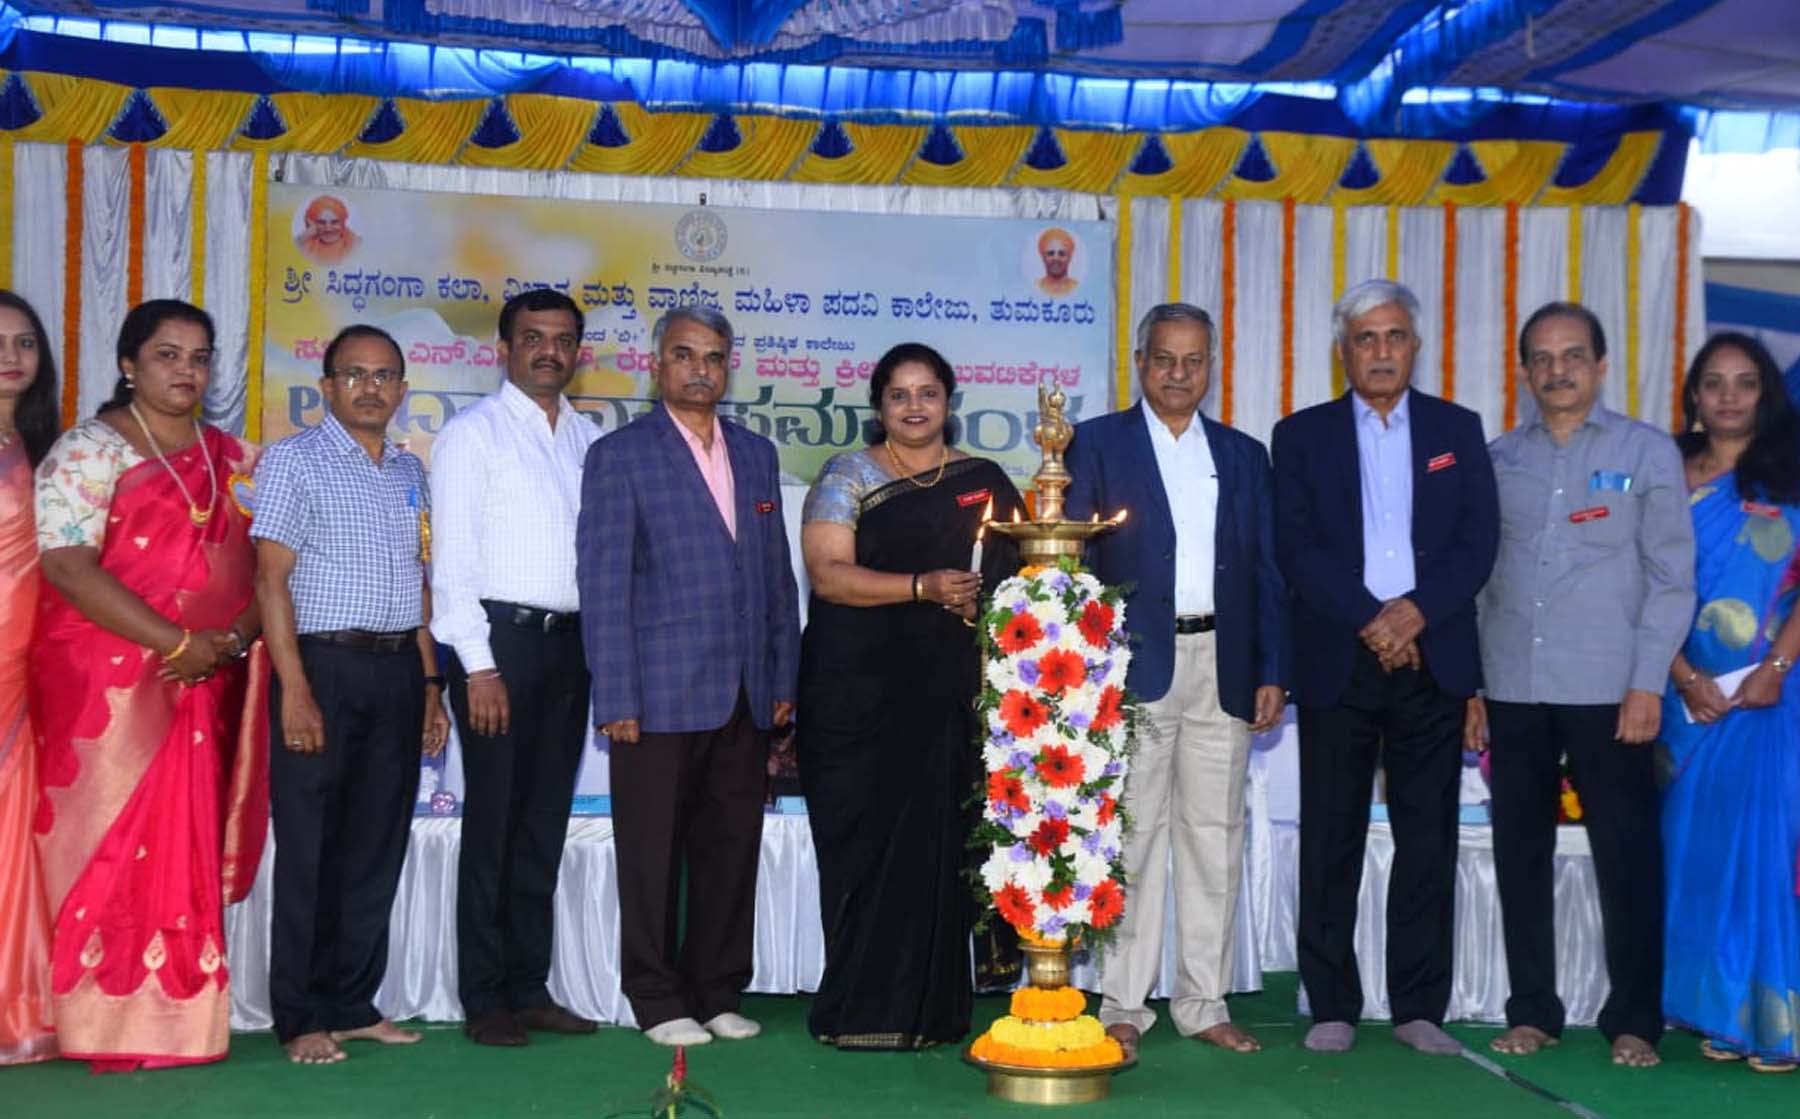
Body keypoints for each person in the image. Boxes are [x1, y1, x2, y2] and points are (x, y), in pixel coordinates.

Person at [31, 299, 268, 1071]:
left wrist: (231, 640)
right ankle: (93, 1018)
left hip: (208, 676)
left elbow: (270, 566)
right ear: (129, 364)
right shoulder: (87, 450)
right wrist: (179, 643)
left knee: (179, 845)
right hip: (107, 684)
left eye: (200, 357)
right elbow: (68, 567)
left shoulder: (237, 458)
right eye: (168, 355)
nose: (186, 370)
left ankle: (178, 1019)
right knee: (102, 840)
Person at [1272, 279, 1498, 1056]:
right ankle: (1332, 1000)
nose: (1380, 351)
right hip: (1342, 653)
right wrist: (1373, 617)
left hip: (1432, 655)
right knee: (1330, 835)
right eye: (1365, 337)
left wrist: (1415, 613)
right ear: (1344, 351)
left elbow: (1477, 541)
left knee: (1427, 836)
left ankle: (1418, 1006)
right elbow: (1296, 547)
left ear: (1414, 346)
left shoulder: (1457, 429)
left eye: (1394, 336)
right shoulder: (1300, 435)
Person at [1471, 302, 1694, 1070]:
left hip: (1613, 690)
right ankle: (1533, 1010)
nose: (1557, 369)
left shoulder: (1646, 450)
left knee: (1627, 856)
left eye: (1572, 355)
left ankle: (1634, 1018)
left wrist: (1647, 682)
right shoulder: (1499, 459)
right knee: (1520, 853)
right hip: (1515, 684)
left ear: (1600, 365)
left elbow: (1671, 577)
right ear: (1523, 371)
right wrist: (1473, 686)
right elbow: (1479, 580)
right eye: (1542, 356)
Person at [1064, 303, 1288, 1059]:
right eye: (1165, 358)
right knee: (1131, 835)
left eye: (1193, 360)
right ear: (1140, 361)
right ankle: (1123, 1003)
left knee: (1214, 838)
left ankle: (1203, 1002)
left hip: (1224, 663)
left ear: (1210, 366)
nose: (1178, 374)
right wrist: (1087, 672)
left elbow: (1268, 571)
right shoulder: (1095, 443)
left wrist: (1272, 670)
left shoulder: (1244, 454)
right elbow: (1075, 567)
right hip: (1132, 666)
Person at [577, 306, 800, 1048]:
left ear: (728, 367)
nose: (700, 370)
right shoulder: (620, 456)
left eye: (713, 357)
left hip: (745, 690)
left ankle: (716, 990)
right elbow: (603, 584)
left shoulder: (756, 454)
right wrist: (616, 695)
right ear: (657, 364)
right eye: (684, 355)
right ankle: (655, 997)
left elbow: (776, 578)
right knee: (651, 856)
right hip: (656, 693)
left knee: (730, 849)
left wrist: (781, 677)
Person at [797, 342, 1025, 1050]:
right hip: (855, 698)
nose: (915, 406)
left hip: (946, 698)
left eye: (928, 393)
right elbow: (829, 575)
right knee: (861, 849)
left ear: (949, 402)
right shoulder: (848, 474)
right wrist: (922, 587)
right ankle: (857, 1008)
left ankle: (930, 1011)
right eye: (900, 395)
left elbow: (1023, 585)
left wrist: (986, 607)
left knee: (938, 848)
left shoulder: (985, 482)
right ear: (879, 406)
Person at [252, 324, 450, 1066]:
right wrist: (294, 690)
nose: (371, 387)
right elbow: (270, 581)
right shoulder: (293, 460)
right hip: (324, 668)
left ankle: (352, 1003)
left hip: (398, 670)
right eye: (355, 374)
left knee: (376, 844)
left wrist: (430, 687)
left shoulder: (409, 471)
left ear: (402, 390)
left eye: (385, 375)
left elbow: (417, 586)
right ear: (328, 385)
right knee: (313, 847)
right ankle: (301, 1015)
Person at [429, 290, 600, 1046]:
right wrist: (478, 667)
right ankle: (485, 994)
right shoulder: (473, 435)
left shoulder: (590, 440)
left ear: (577, 353)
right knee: (495, 821)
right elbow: (453, 566)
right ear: (503, 348)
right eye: (533, 338)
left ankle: (531, 986)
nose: (548, 352)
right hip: (500, 646)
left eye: (562, 340)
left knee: (542, 823)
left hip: (572, 647)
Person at [1659, 332, 1800, 1071]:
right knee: (1698, 849)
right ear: (1693, 394)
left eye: (1745, 382)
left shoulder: (1791, 472)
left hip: (1770, 694)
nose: (1729, 396)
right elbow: (1638, 583)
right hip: (1681, 698)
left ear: (1765, 393)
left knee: (1764, 853)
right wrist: (1681, 673)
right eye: (1714, 382)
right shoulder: (1666, 472)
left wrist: (1775, 665)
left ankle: (1775, 1023)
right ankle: (1716, 1009)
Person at [0, 290, 60, 1065]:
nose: (10, 356)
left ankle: (17, 1001)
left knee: (15, 829)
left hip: (27, 660)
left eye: (24, 342)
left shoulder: (46, 447)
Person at [295, 196, 360, 266]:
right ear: (311, 223)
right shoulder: (304, 246)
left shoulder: (356, 245)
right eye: (321, 222)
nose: (328, 229)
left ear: (343, 222)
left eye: (335, 222)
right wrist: (305, 236)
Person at [1035, 229, 1078, 297]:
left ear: (1070, 257)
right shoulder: (1036, 286)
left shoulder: (1076, 287)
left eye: (1062, 253)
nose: (1056, 258)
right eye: (1051, 253)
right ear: (1043, 257)